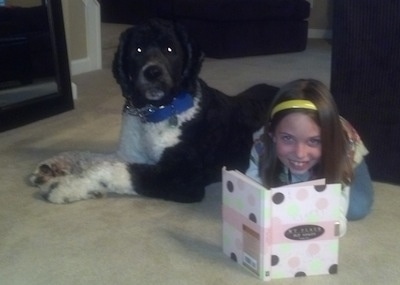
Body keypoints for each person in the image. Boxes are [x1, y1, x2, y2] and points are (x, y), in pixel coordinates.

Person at [245, 79, 374, 236]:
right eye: (287, 138)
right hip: (290, 159)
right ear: (272, 134)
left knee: (356, 207)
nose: (300, 153)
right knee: (273, 197)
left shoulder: (340, 148)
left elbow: (337, 224)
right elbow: (250, 192)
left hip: (344, 158)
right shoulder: (262, 145)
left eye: (314, 141)